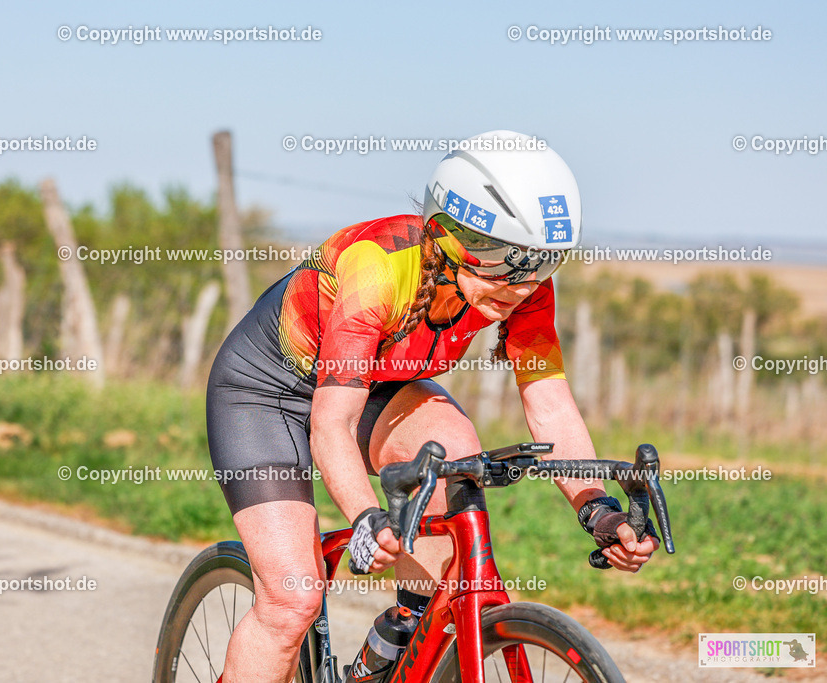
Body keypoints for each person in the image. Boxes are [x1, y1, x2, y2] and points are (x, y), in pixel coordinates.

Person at [206, 131, 660, 682]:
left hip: (370, 386)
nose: (519, 284)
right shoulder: (378, 269)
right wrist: (366, 518)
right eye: (499, 256)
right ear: (446, 234)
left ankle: (402, 630)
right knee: (292, 601)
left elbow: (551, 407)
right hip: (269, 394)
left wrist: (597, 509)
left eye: (544, 261)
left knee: (453, 450)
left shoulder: (521, 288)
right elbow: (331, 422)